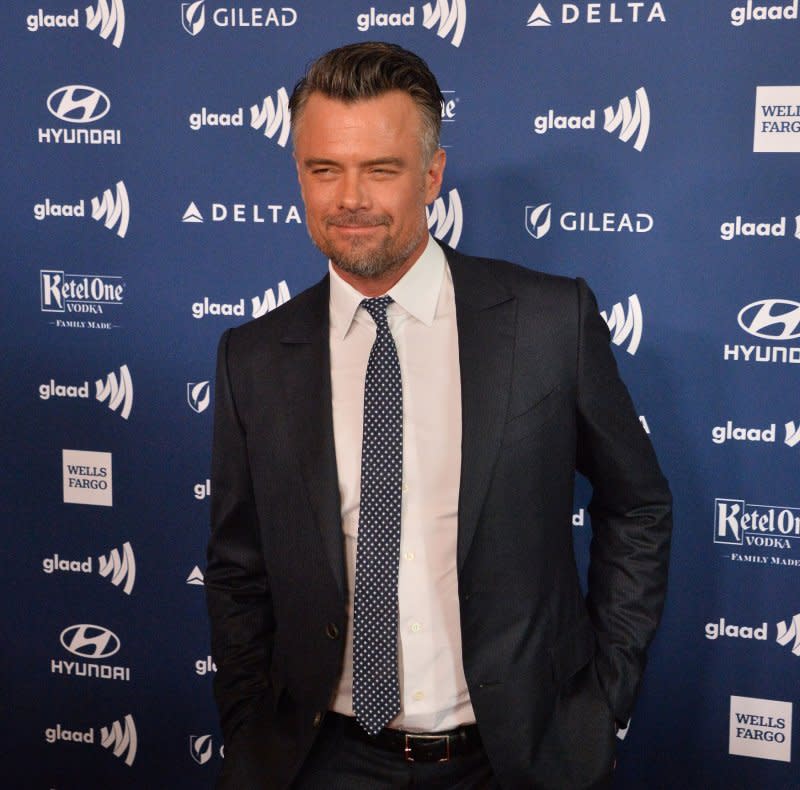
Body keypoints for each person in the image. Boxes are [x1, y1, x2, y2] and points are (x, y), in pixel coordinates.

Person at [205, 41, 672, 790]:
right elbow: (237, 566)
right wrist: (248, 727)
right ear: (299, 174)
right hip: (321, 761)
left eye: (380, 169)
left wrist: (599, 701)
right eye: (324, 169)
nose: (348, 197)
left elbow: (638, 506)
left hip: (517, 759)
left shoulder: (550, 322)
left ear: (431, 175)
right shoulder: (252, 357)